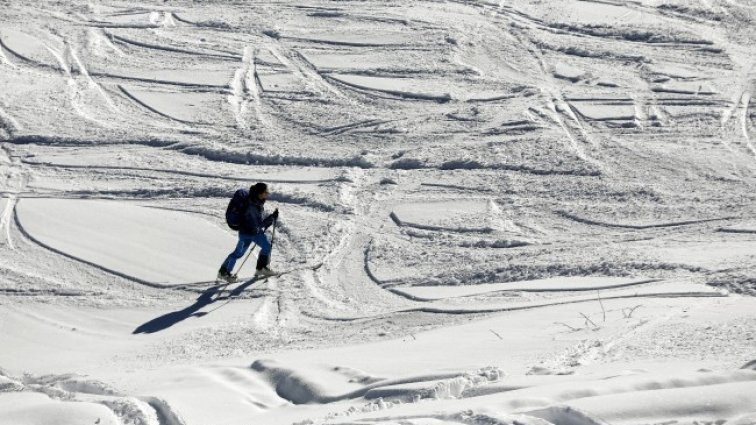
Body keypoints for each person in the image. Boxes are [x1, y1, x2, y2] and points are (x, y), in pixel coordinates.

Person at [218, 182, 279, 282]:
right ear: (260, 193)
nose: (267, 194)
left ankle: (261, 268)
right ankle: (224, 272)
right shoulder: (252, 205)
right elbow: (259, 224)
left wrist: (271, 218)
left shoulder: (257, 201)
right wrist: (272, 218)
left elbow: (258, 223)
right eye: (266, 192)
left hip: (254, 232)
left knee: (267, 246)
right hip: (247, 233)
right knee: (238, 253)